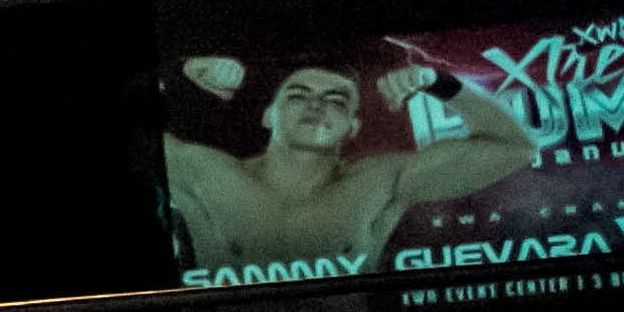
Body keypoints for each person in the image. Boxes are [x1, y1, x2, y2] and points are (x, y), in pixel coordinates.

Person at [164, 54, 537, 276]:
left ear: (353, 126)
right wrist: (182, 69)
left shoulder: (380, 181)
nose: (316, 106)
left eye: (336, 100)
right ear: (267, 115)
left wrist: (438, 82)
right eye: (298, 95)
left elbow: (513, 147)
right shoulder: (208, 173)